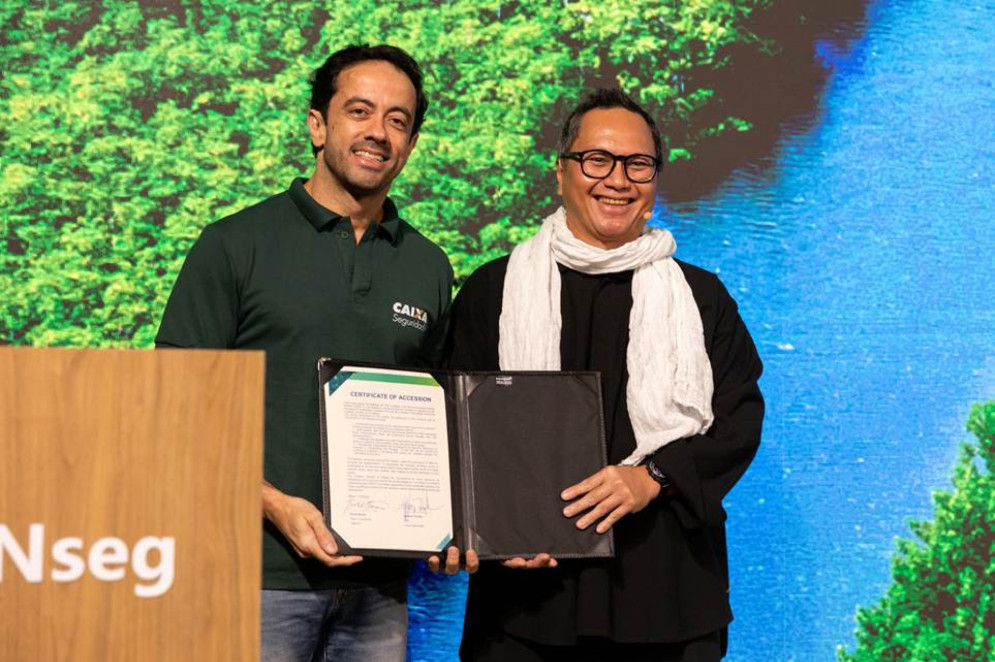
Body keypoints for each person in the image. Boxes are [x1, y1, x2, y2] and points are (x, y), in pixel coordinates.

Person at [155, 44, 454, 662]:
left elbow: (441, 422)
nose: (378, 132)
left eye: (398, 120)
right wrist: (271, 504)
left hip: (379, 591)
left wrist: (455, 523)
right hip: (253, 575)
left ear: (411, 143)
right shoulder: (235, 244)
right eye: (359, 111)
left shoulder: (428, 266)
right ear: (318, 125)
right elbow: (172, 408)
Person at [446, 87, 765, 662]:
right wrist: (483, 529)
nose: (618, 180)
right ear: (560, 172)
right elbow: (454, 431)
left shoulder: (701, 299)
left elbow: (739, 422)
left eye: (638, 164)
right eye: (597, 160)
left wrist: (654, 477)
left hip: (668, 597)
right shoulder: (493, 292)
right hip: (524, 599)